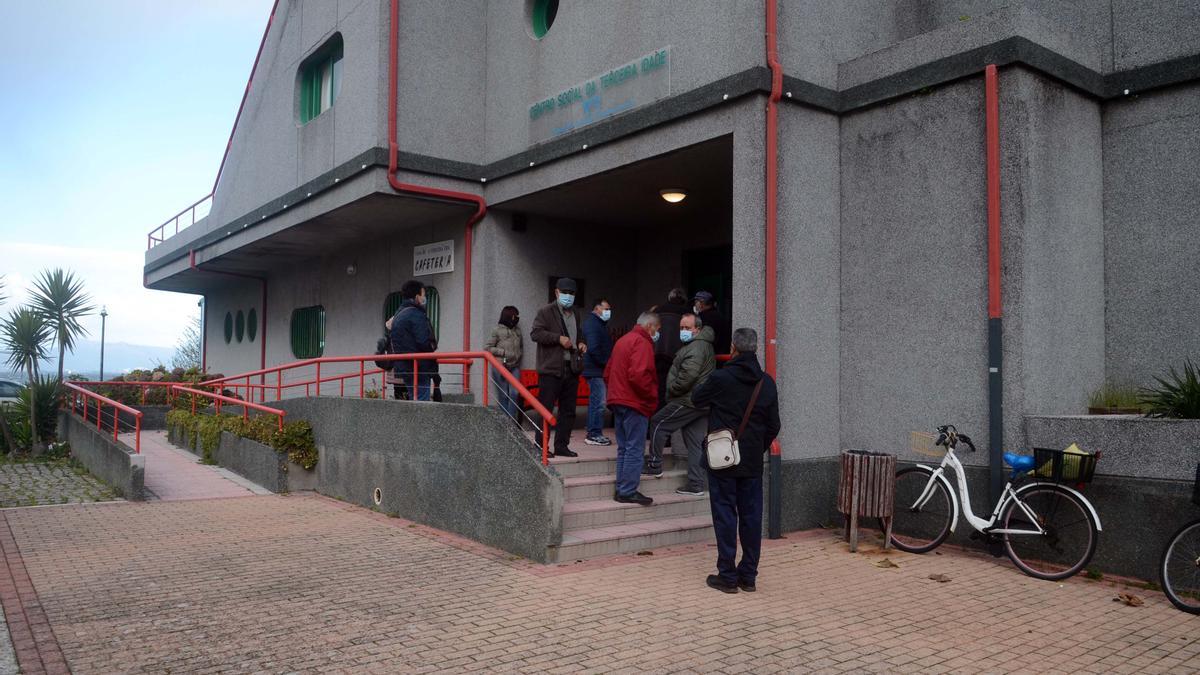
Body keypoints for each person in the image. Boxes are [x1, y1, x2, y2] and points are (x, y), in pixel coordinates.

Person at [691, 327, 780, 594]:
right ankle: (749, 576)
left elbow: (697, 399)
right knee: (752, 517)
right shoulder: (767, 383)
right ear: (755, 349)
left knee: (725, 514)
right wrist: (755, 448)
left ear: (733, 348)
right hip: (751, 462)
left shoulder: (721, 378)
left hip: (722, 460)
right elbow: (774, 425)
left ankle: (727, 575)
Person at [646, 313, 714, 494]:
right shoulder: (699, 344)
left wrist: (672, 389)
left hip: (688, 400)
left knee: (658, 423)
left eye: (687, 328)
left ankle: (655, 464)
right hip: (700, 402)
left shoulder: (696, 347)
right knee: (694, 444)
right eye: (681, 328)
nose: (683, 331)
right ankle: (695, 484)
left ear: (697, 330)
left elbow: (688, 376)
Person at [604, 312, 661, 505]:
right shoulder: (642, 343)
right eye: (657, 329)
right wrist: (652, 396)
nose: (657, 333)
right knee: (635, 448)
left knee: (624, 448)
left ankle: (622, 488)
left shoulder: (622, 341)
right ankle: (628, 490)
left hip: (618, 400)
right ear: (650, 326)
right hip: (635, 402)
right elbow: (639, 375)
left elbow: (608, 372)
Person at [530, 278, 586, 458]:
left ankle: (562, 445)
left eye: (571, 293)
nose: (568, 296)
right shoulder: (545, 311)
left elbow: (580, 333)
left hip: (572, 368)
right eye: (565, 292)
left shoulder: (576, 313)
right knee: (545, 409)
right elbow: (535, 333)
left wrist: (582, 343)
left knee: (568, 410)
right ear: (556, 292)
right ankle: (541, 446)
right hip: (551, 369)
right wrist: (557, 338)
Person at [389, 280, 438, 401]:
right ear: (417, 297)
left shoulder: (399, 314)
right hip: (418, 367)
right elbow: (423, 341)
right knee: (421, 403)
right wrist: (431, 348)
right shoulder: (416, 314)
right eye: (423, 295)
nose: (424, 298)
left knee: (414, 401)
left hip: (404, 367)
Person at [582, 298, 614, 445]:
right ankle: (594, 434)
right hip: (595, 370)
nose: (608, 312)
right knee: (599, 402)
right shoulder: (594, 325)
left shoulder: (597, 324)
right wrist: (606, 364)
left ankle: (593, 431)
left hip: (595, 369)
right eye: (606, 309)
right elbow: (594, 349)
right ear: (597, 309)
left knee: (596, 401)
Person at [652, 288, 690, 411]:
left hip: (657, 354)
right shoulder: (687, 313)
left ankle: (659, 412)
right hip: (677, 355)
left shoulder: (657, 311)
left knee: (659, 386)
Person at [484, 306, 523, 420]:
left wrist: (518, 355)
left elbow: (521, 347)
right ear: (508, 316)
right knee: (504, 394)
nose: (516, 318)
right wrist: (503, 352)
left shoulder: (517, 331)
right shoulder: (497, 330)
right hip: (500, 366)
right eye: (515, 316)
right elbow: (487, 348)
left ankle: (510, 421)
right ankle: (505, 422)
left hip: (514, 366)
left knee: (515, 393)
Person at [693, 291, 731, 356]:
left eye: (696, 302)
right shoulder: (720, 316)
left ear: (701, 303)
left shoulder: (703, 318)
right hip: (721, 356)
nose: (695, 305)